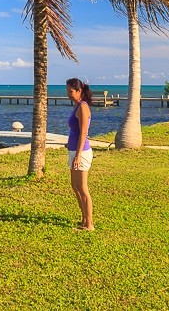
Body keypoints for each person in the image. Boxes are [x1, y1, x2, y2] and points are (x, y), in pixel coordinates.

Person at [65, 77, 94, 231]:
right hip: (74, 150)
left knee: (82, 188)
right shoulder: (77, 106)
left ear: (79, 91)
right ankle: (84, 220)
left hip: (81, 152)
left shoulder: (83, 107)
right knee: (75, 186)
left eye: (71, 91)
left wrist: (77, 155)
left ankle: (89, 224)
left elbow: (83, 133)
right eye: (67, 91)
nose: (68, 94)